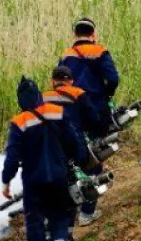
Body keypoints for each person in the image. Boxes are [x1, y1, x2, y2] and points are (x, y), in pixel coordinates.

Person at [2, 76, 91, 241]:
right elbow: (73, 139)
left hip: (33, 181)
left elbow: (12, 157)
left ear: (21, 100)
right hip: (59, 176)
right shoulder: (57, 112)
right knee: (59, 215)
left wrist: (6, 180)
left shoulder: (19, 122)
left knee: (34, 221)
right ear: (39, 96)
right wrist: (79, 158)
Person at [44, 64, 107, 225]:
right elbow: (93, 119)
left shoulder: (41, 97)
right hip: (73, 147)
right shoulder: (78, 93)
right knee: (95, 170)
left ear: (53, 81)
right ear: (71, 81)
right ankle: (86, 214)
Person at [57, 17, 120, 114]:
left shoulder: (66, 55)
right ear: (93, 34)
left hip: (74, 109)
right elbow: (113, 79)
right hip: (97, 107)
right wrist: (107, 95)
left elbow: (58, 83)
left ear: (75, 34)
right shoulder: (100, 52)